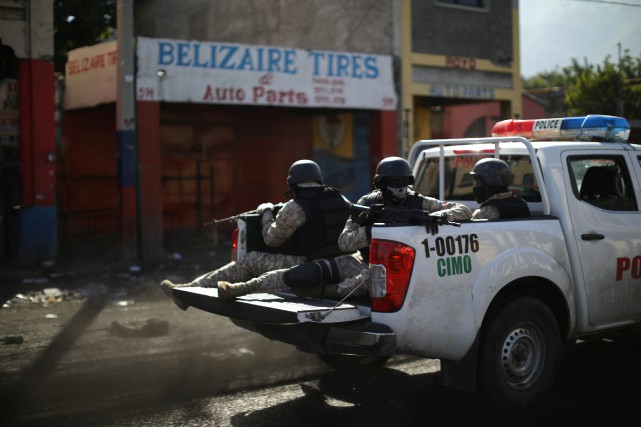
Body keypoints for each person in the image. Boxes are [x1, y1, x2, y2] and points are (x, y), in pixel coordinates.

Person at [161, 159, 366, 300]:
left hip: (310, 264)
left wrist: (266, 212)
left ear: (292, 183)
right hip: (343, 263)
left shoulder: (296, 207)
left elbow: (271, 240)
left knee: (251, 260)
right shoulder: (341, 198)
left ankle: (192, 289)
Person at [339, 156, 473, 260]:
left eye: (404, 181)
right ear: (381, 182)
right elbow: (344, 243)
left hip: (410, 263)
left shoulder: (419, 202)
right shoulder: (367, 202)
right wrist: (372, 231)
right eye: (395, 181)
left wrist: (439, 216)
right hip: (371, 261)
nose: (401, 185)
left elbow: (464, 210)